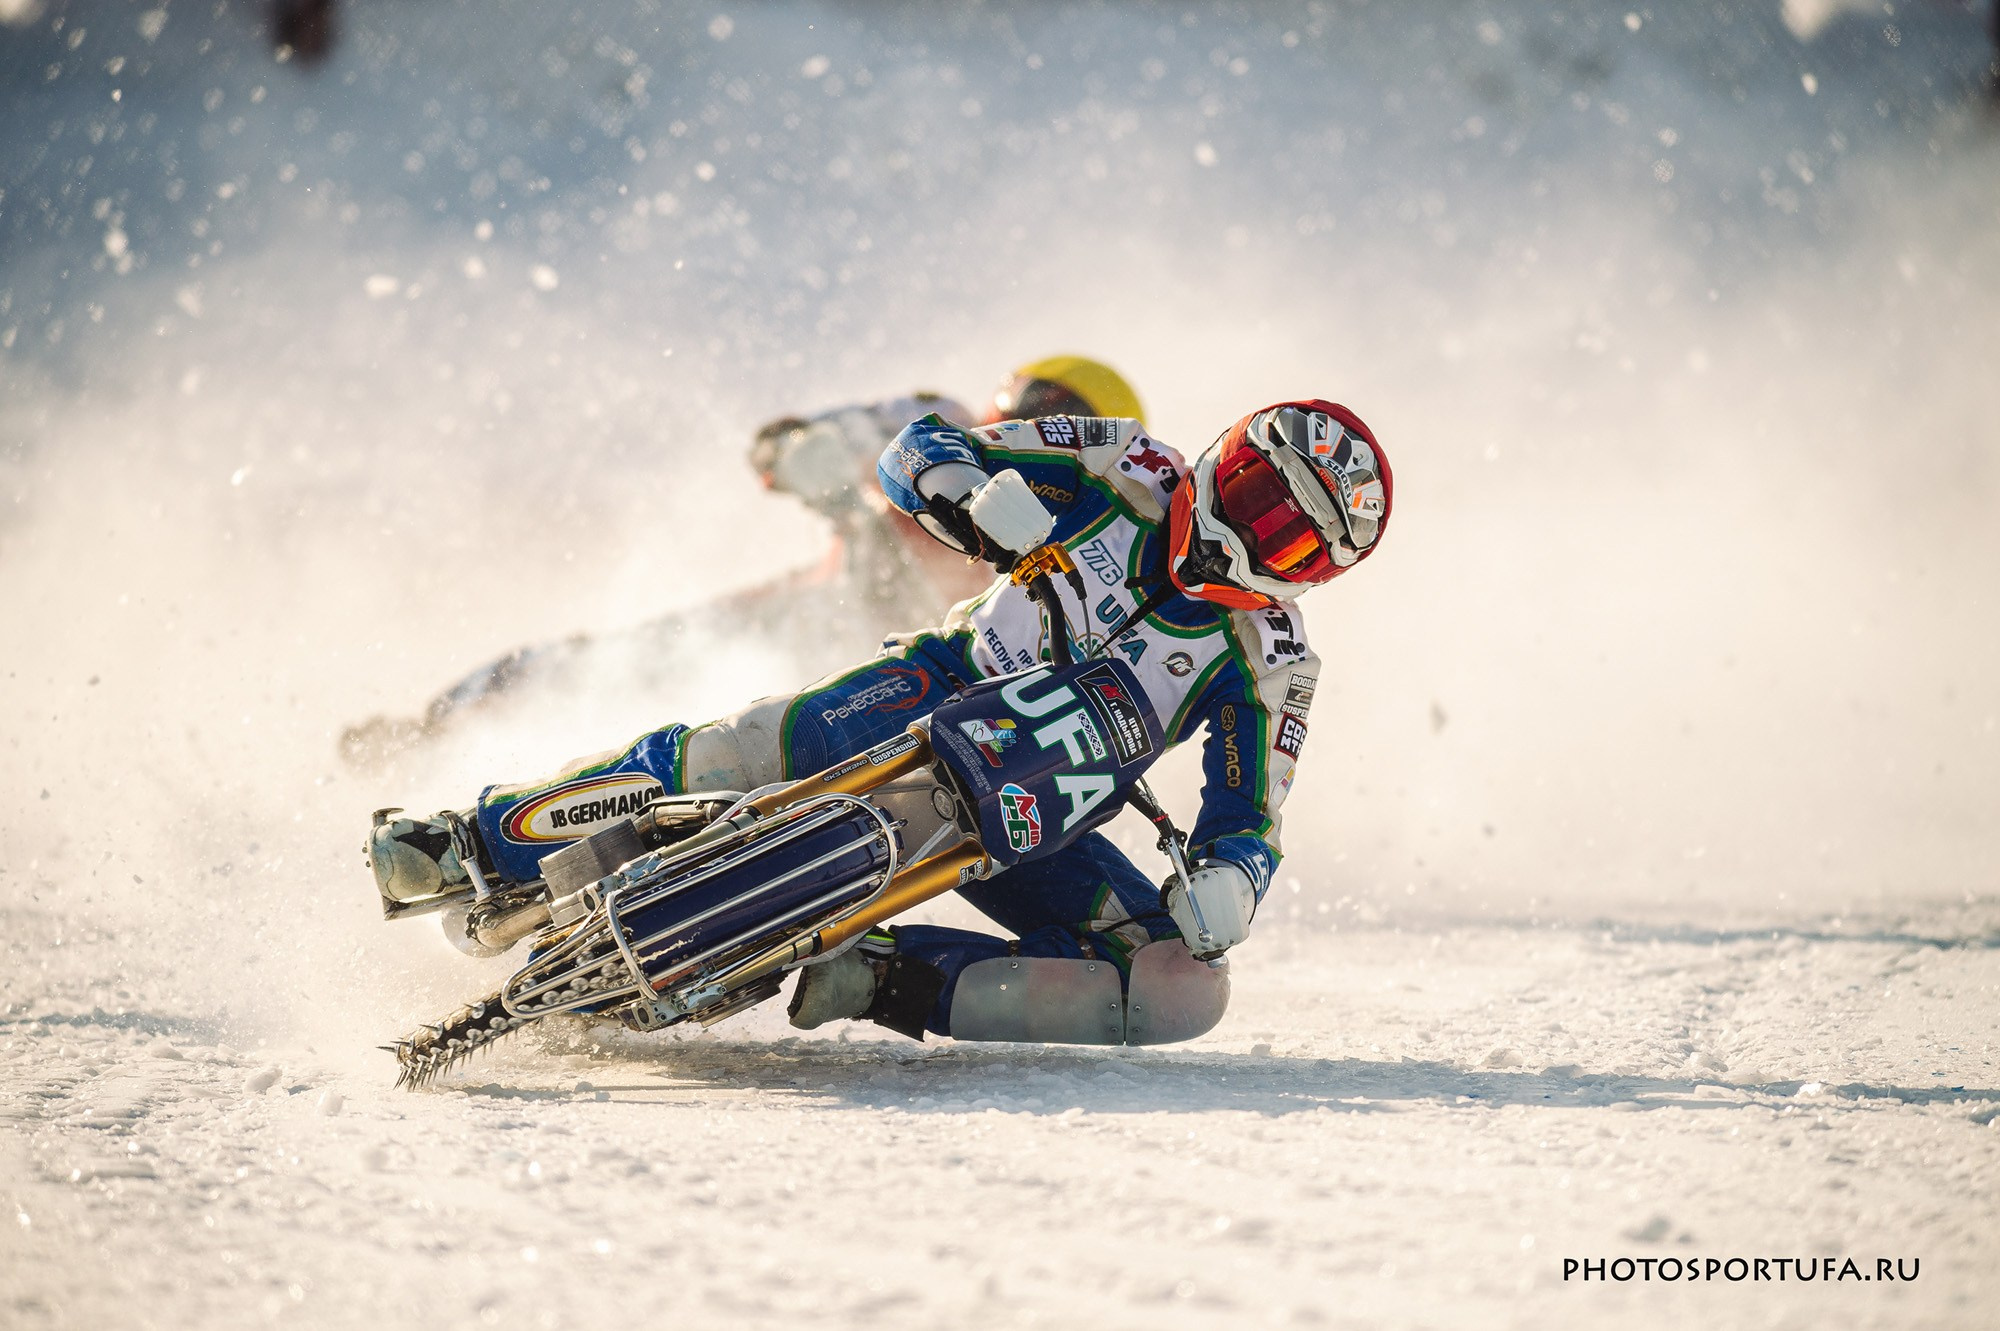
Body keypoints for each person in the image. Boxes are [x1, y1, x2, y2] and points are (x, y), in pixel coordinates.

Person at [366, 398, 1391, 1045]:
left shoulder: (1272, 664)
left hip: (1044, 815)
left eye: (1293, 538)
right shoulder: (1123, 465)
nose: (1255, 534)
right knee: (732, 749)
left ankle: (876, 977)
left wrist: (1229, 885)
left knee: (1178, 989)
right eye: (1260, 493)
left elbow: (1249, 813)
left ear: (1319, 574)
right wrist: (968, 495)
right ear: (1228, 454)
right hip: (935, 688)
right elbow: (921, 446)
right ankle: (473, 842)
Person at [338, 356, 1146, 764]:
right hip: (805, 612)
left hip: (901, 692)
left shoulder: (1093, 538)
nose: (1034, 431)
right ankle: (429, 732)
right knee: (620, 666)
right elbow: (776, 443)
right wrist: (810, 455)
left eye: (1064, 422)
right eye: (1036, 407)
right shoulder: (937, 424)